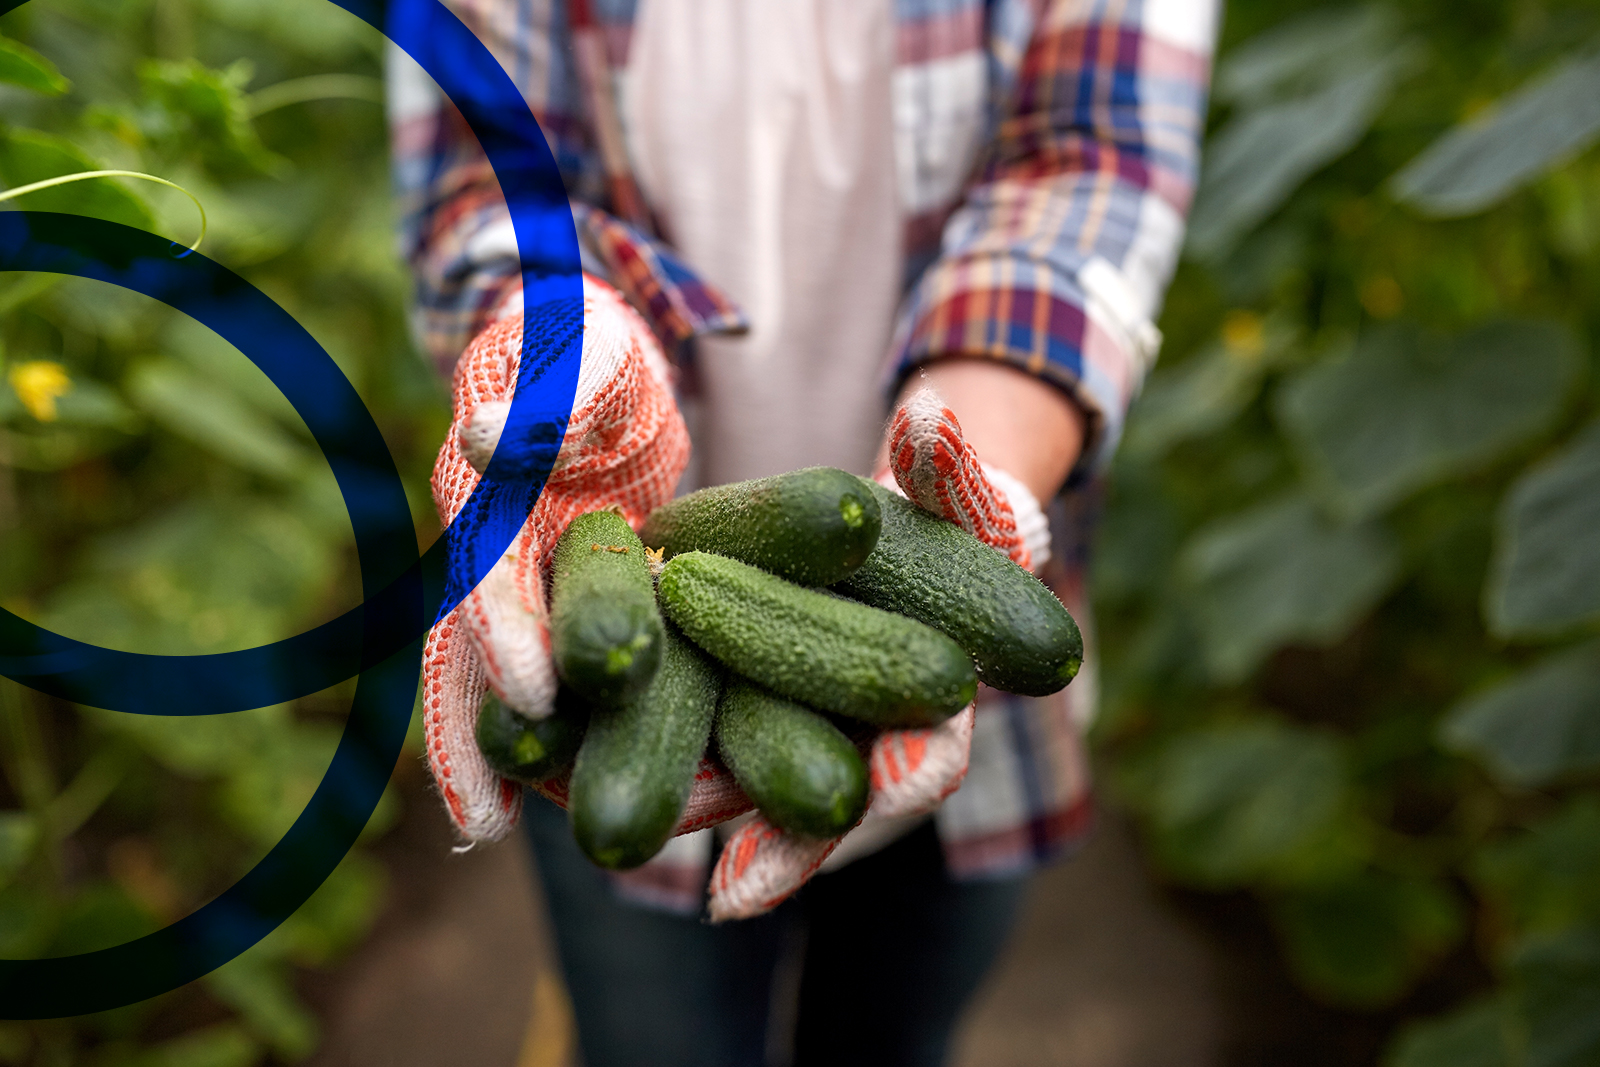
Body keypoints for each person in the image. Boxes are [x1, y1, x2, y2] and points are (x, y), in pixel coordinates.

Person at [388, 1, 1216, 1063]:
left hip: (955, 622)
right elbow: (484, 188)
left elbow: (1085, 170)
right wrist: (557, 356)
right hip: (588, 627)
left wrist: (978, 456)